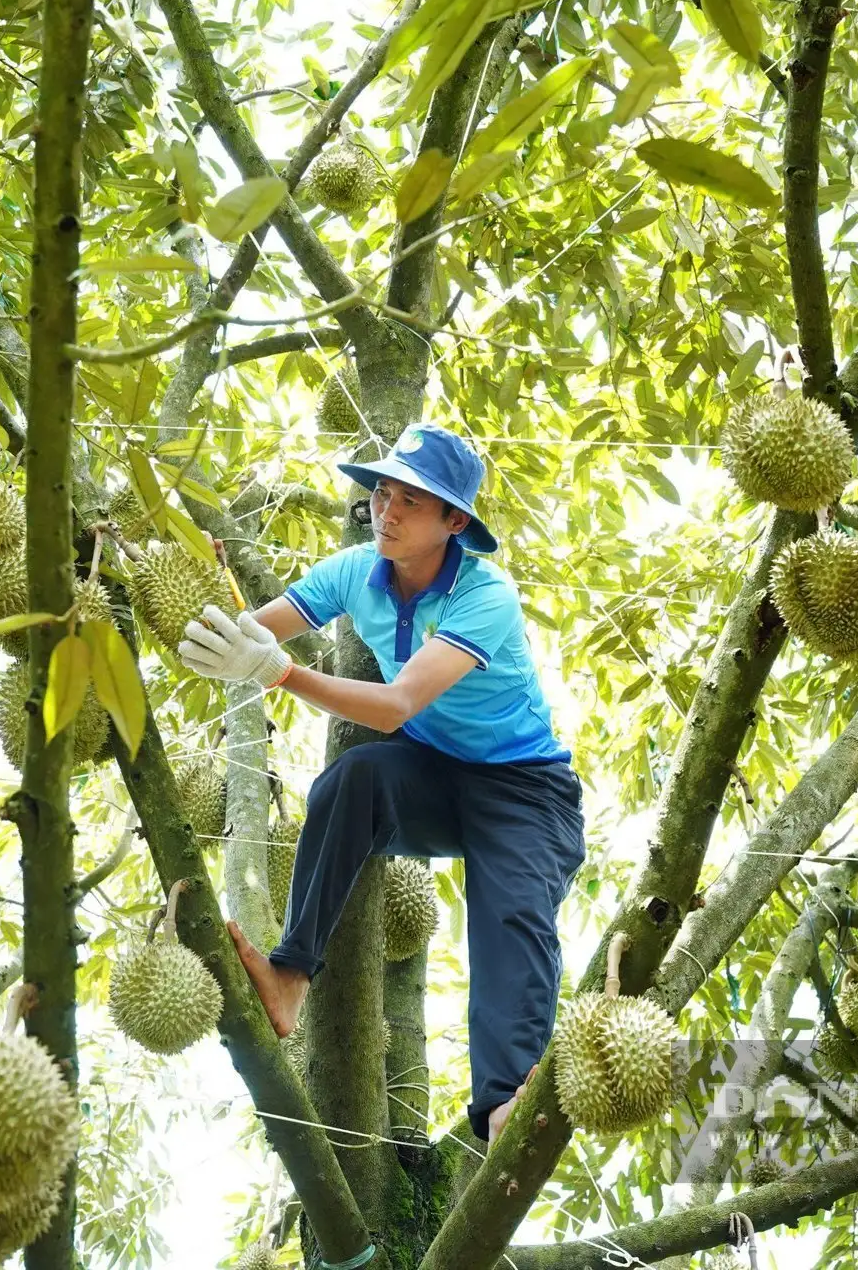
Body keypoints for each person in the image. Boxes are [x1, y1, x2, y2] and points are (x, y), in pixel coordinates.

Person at [176, 422, 585, 1144]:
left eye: (409, 503)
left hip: (527, 793)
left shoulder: (484, 597)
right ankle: (289, 979)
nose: (386, 513)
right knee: (349, 781)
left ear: (454, 522)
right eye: (382, 495)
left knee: (510, 919)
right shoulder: (350, 572)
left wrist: (281, 673)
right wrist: (205, 592)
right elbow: (248, 629)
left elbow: (397, 705)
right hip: (434, 778)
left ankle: (503, 1105)